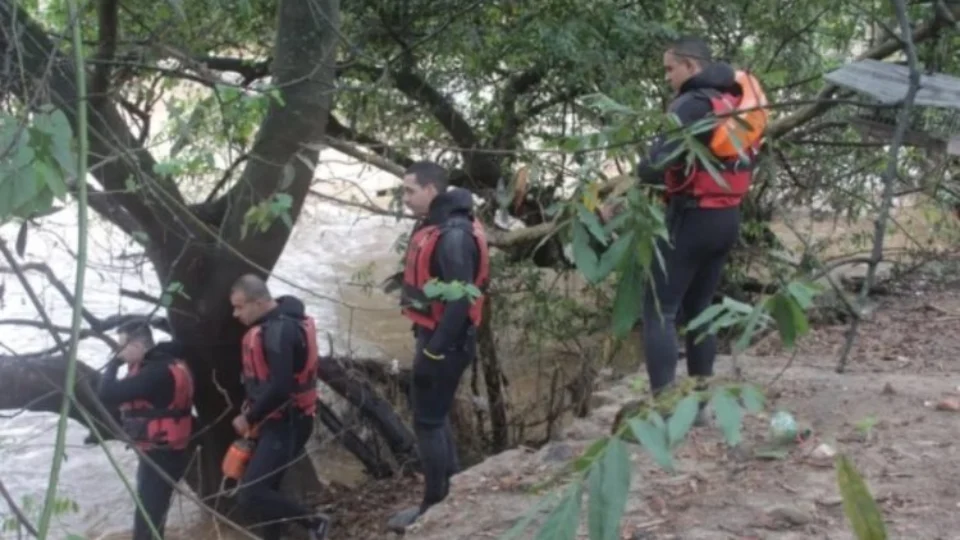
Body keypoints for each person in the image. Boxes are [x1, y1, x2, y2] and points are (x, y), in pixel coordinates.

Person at [600, 36, 768, 408]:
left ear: (691, 67)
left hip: (692, 217)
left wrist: (637, 175)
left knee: (659, 309)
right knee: (701, 308)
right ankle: (699, 403)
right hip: (727, 218)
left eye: (669, 68)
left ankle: (664, 407)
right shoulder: (732, 102)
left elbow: (657, 166)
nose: (667, 77)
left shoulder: (691, 104)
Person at [387, 161, 491, 533]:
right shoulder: (440, 225)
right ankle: (452, 488)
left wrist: (434, 351)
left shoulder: (453, 235)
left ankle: (433, 505)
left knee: (428, 420)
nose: (405, 199)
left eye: (409, 191)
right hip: (436, 336)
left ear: (431, 190)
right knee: (435, 415)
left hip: (445, 341)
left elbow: (460, 302)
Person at [229, 274, 330, 540]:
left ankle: (314, 523)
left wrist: (248, 417)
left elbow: (281, 387)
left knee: (251, 493)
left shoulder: (279, 331)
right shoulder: (278, 324)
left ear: (260, 302)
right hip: (282, 420)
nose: (235, 314)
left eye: (240, 306)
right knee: (268, 487)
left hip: (287, 424)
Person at [97, 321, 195, 540]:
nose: (119, 352)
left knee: (146, 523)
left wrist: (113, 364)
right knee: (151, 516)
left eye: (122, 347)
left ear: (139, 345)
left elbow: (107, 392)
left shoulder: (156, 373)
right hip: (162, 450)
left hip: (162, 455)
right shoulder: (161, 361)